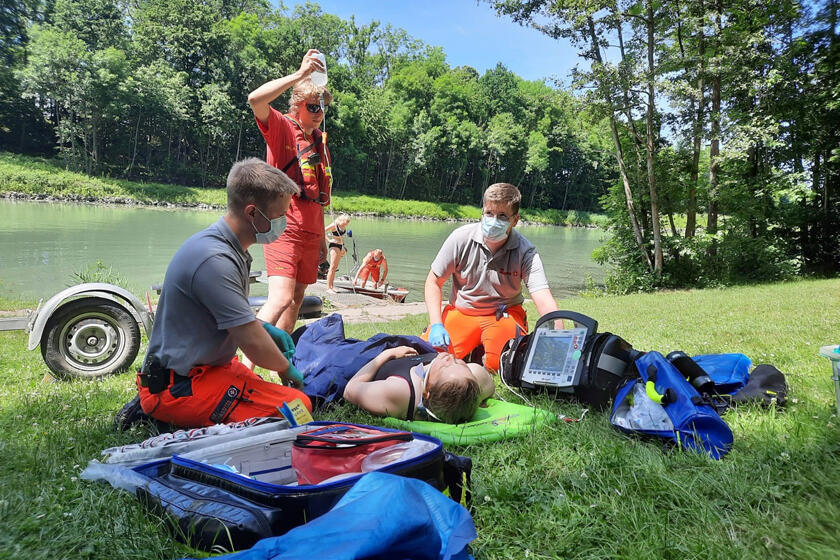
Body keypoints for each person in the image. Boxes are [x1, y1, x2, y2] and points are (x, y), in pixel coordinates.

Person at [128, 159, 312, 429]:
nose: (284, 223)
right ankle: (159, 412)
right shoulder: (214, 261)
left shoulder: (227, 249)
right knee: (298, 406)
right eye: (279, 216)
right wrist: (285, 367)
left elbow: (226, 318)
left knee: (289, 402)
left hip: (210, 370)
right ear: (253, 213)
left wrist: (264, 328)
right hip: (182, 387)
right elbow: (251, 343)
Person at [423, 183, 559, 372]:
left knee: (501, 366)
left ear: (515, 220)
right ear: (482, 212)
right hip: (463, 311)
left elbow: (543, 297)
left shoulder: (525, 251)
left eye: (502, 216)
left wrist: (559, 336)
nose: (494, 220)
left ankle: (484, 352)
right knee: (430, 357)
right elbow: (433, 282)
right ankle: (474, 349)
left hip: (503, 314)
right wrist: (437, 324)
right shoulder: (460, 238)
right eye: (489, 213)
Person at [248, 49, 333, 333]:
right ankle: (245, 364)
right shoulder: (282, 128)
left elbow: (317, 198)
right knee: (281, 297)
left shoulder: (319, 141)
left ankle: (280, 361)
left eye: (322, 107)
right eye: (312, 106)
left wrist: (321, 238)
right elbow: (255, 99)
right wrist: (299, 75)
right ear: (297, 105)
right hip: (284, 229)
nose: (319, 112)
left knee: (296, 300)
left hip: (310, 235)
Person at [343, 346, 495, 424]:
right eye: (461, 363)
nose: (450, 357)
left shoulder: (400, 392)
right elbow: (485, 387)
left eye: (445, 366)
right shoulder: (475, 377)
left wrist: (386, 354)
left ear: (427, 392)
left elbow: (350, 390)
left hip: (378, 358)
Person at [324, 213, 350, 292]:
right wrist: (329, 240)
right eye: (345, 222)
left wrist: (343, 247)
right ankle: (328, 288)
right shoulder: (334, 225)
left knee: (335, 267)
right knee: (332, 267)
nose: (346, 224)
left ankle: (332, 286)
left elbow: (341, 237)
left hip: (340, 246)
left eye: (347, 222)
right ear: (341, 219)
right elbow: (322, 231)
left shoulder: (343, 226)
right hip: (334, 245)